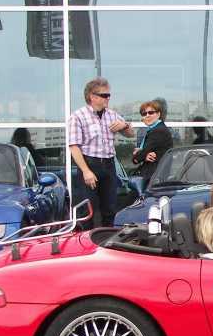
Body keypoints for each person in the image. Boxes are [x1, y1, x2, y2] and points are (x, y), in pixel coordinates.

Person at [68, 77, 134, 227]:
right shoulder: (78, 116)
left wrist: (124, 126)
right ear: (92, 97)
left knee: (110, 208)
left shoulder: (112, 115)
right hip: (90, 164)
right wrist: (86, 171)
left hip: (109, 165)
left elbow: (131, 134)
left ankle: (107, 238)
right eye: (105, 95)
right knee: (88, 210)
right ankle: (87, 239)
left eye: (109, 95)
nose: (108, 98)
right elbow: (74, 146)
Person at [131, 100, 173, 185]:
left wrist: (138, 156)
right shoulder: (154, 129)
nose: (147, 115)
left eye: (151, 112)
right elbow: (145, 152)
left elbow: (142, 153)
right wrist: (143, 154)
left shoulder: (158, 131)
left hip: (154, 177)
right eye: (144, 114)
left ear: (158, 114)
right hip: (154, 175)